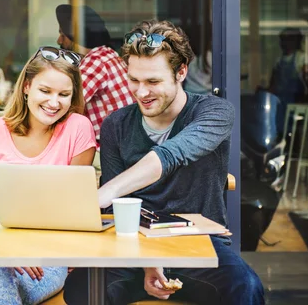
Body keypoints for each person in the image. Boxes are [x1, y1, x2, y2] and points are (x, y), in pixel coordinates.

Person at [63, 20, 264, 305]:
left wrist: (103, 193)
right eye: (134, 80)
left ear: (181, 72)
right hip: (133, 248)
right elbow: (118, 206)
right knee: (81, 290)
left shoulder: (214, 112)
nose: (141, 92)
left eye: (153, 82)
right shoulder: (116, 125)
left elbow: (171, 155)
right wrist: (148, 261)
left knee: (246, 287)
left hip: (197, 247)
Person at [0, 46, 97, 305]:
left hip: (47, 257)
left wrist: (28, 250)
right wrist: (10, 249)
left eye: (64, 94)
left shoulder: (78, 129)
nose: (54, 103)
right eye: (45, 91)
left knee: (1, 284)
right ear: (26, 87)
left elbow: (73, 207)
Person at [55, 4, 135, 147]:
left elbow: (61, 105)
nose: (59, 41)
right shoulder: (107, 54)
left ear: (76, 36)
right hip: (124, 144)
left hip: (109, 150)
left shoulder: (96, 61)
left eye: (63, 35)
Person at [266, 27, 308, 132]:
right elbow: (273, 85)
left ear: (295, 41)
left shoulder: (301, 57)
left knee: (294, 129)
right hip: (280, 103)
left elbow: (307, 80)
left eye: (286, 39)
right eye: (282, 40)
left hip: (295, 100)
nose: (283, 43)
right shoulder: (278, 61)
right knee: (280, 128)